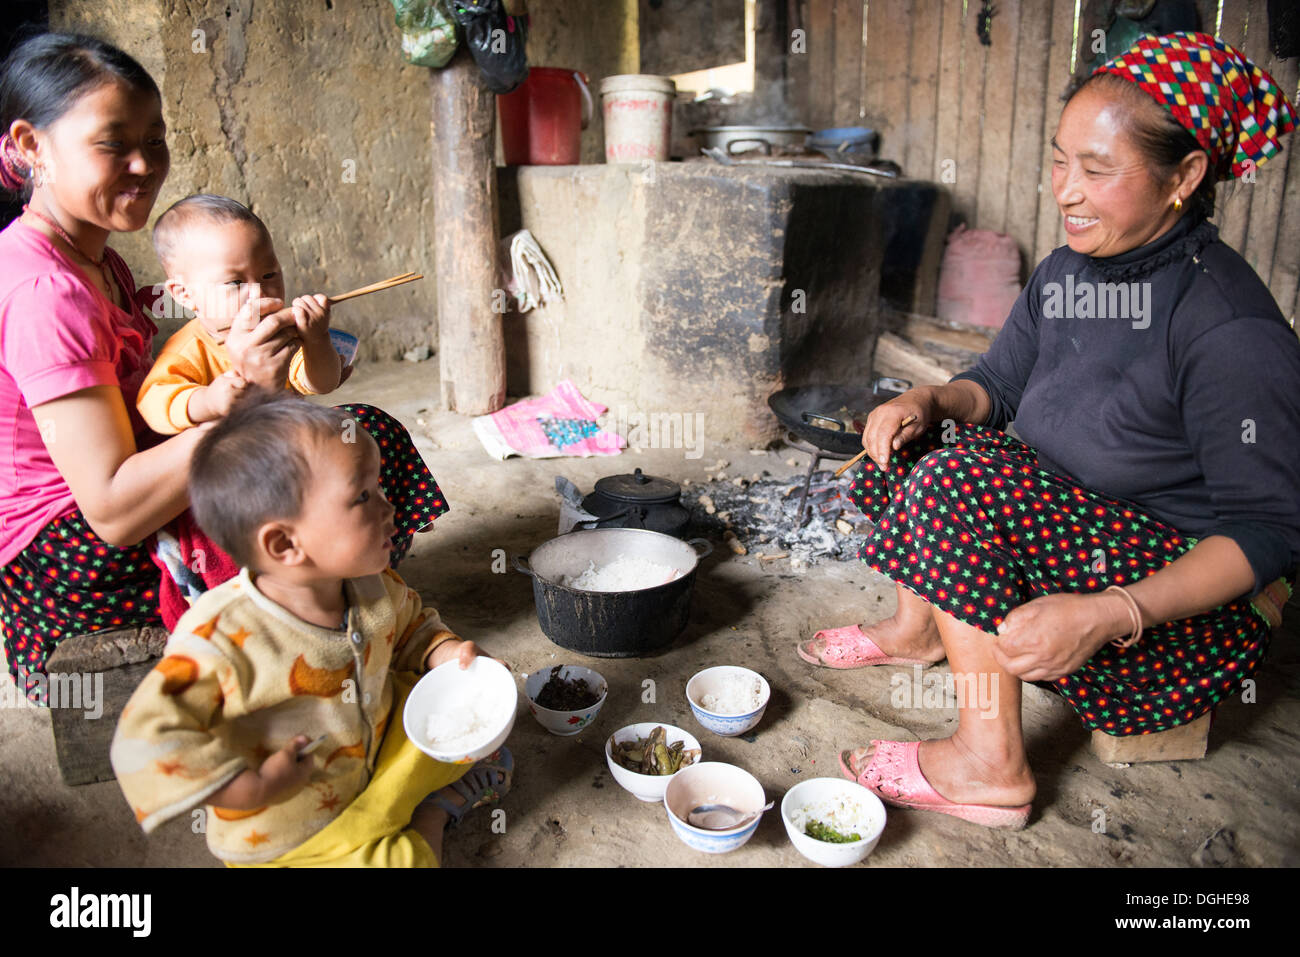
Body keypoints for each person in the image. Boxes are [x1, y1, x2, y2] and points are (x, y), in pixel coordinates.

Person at [798, 32, 1300, 829]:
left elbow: (1271, 531)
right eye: (1061, 160)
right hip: (1064, 515)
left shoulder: (1228, 325)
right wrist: (930, 400)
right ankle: (917, 629)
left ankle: (990, 763)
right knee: (902, 445)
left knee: (958, 485)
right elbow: (994, 386)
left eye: (1098, 171)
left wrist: (1109, 612)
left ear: (1187, 175)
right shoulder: (1069, 271)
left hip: (1165, 606)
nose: (1066, 190)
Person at [0, 34, 445, 699]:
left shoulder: (100, 261)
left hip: (112, 517)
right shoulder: (45, 290)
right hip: (72, 566)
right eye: (112, 142)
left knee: (350, 436)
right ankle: (323, 625)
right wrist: (241, 403)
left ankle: (334, 604)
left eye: (155, 141)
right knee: (336, 461)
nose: (142, 165)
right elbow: (114, 511)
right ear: (32, 145)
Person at [111, 391, 510, 867]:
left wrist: (447, 654)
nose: (388, 509)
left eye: (379, 489)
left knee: (454, 707)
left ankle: (417, 789)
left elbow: (410, 628)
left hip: (372, 756)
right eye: (363, 497)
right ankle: (434, 812)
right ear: (284, 543)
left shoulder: (370, 585)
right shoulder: (220, 636)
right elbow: (142, 740)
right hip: (294, 831)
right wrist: (252, 787)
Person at [137, 194, 342, 434]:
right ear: (184, 294)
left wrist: (317, 339)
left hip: (287, 442)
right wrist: (207, 401)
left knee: (364, 423)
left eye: (269, 275)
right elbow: (152, 404)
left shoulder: (281, 334)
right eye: (235, 282)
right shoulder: (189, 350)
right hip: (235, 460)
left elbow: (324, 383)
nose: (260, 294)